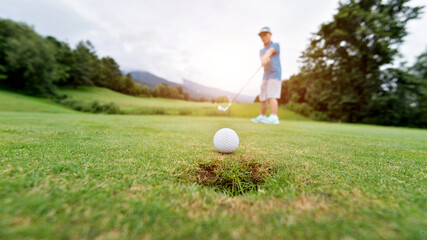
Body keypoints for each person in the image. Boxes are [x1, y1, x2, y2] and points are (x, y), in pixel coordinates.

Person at [251, 27, 282, 125]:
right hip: (266, 76)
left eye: (265, 34)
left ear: (270, 35)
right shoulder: (261, 50)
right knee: (263, 97)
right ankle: (262, 116)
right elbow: (264, 60)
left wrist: (266, 57)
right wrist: (264, 59)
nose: (263, 37)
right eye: (261, 35)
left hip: (275, 74)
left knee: (272, 95)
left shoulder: (275, 45)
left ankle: (274, 117)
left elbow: (270, 52)